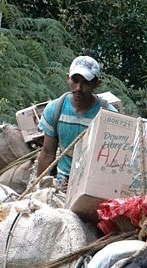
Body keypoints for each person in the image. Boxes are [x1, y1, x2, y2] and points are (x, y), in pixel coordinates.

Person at [35, 55, 117, 186]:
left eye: (86, 82)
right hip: (62, 182)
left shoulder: (109, 115)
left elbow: (113, 161)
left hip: (93, 184)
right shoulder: (55, 109)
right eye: (75, 80)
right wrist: (38, 188)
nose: (78, 87)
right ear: (68, 78)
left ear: (97, 84)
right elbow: (47, 153)